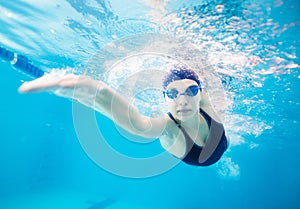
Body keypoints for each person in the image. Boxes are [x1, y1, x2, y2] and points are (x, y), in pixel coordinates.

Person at [19, 66, 228, 166]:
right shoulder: (170, 130)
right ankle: (86, 95)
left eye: (191, 91)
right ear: (165, 99)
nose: (183, 100)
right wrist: (99, 90)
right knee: (98, 102)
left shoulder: (207, 105)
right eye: (172, 94)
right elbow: (137, 123)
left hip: (223, 143)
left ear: (200, 94)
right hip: (200, 155)